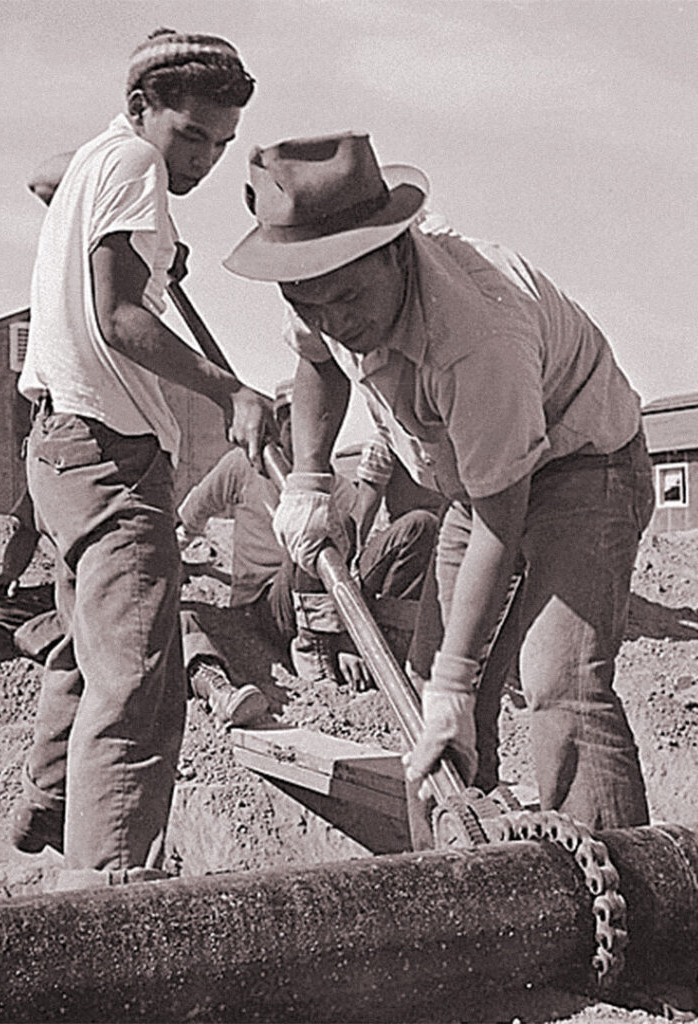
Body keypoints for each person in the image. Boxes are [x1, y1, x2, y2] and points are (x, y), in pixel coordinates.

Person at [224, 133, 655, 830]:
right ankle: (465, 882)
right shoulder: (320, 283)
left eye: (347, 299)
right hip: (475, 483)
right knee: (426, 695)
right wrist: (308, 479)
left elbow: (500, 517)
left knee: (559, 684)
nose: (336, 322)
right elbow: (318, 363)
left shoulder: (477, 335)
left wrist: (462, 680)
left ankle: (627, 913)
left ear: (396, 251)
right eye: (310, 304)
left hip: (583, 466)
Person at [12, 28, 271, 887]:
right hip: (109, 448)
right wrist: (229, 391)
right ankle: (109, 894)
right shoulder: (135, 167)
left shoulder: (99, 160)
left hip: (57, 446)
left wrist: (158, 248)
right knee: (143, 679)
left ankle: (52, 798)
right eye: (190, 134)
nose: (200, 158)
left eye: (221, 144)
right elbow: (121, 315)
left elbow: (47, 178)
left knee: (88, 644)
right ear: (140, 109)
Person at [177, 379, 439, 690]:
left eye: (306, 419)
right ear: (278, 424)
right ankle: (314, 649)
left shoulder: (339, 488)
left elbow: (347, 565)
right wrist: (168, 565)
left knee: (420, 525)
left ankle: (389, 638)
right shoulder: (241, 467)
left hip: (322, 593)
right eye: (288, 419)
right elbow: (188, 521)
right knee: (309, 527)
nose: (297, 430)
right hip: (265, 605)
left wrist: (348, 636)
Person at [0, 487, 269, 729]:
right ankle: (87, 644)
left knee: (176, 620)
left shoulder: (124, 472)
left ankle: (214, 686)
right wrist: (9, 573)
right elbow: (27, 528)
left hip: (122, 591)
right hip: (74, 597)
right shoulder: (49, 468)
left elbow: (159, 548)